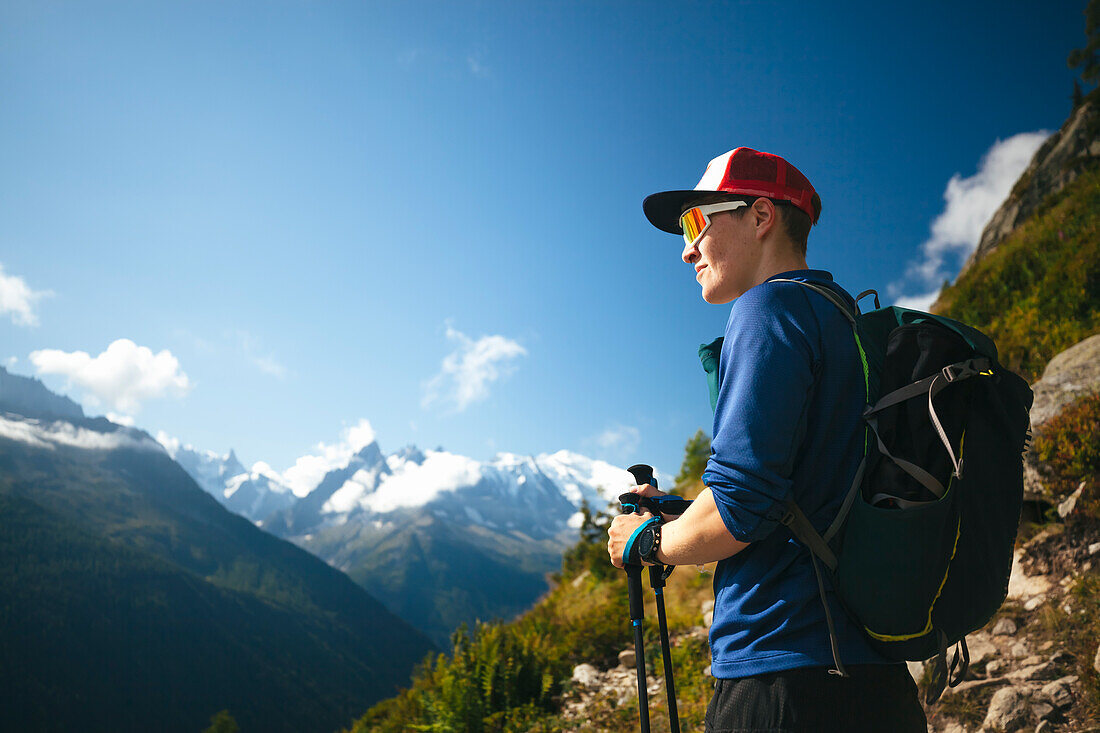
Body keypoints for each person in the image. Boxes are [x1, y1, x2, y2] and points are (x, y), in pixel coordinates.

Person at [607, 147, 927, 732]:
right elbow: (807, 491)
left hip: (784, 677)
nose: (686, 248)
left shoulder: (769, 309)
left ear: (760, 216)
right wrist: (680, 514)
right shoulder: (843, 318)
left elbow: (739, 514)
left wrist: (647, 542)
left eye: (696, 222)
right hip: (875, 674)